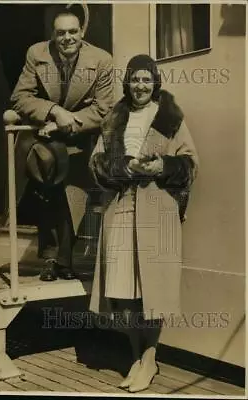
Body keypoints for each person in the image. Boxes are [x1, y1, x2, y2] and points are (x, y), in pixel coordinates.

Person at [88, 54, 199, 392]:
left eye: (146, 80)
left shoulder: (170, 119)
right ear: (128, 82)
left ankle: (150, 359)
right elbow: (96, 162)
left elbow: (190, 163)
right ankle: (136, 357)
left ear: (155, 83)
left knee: (154, 291)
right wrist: (121, 168)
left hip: (157, 210)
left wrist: (160, 166)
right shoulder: (114, 119)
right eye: (135, 79)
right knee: (126, 293)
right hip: (122, 208)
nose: (140, 86)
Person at [10, 5, 114, 281]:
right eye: (60, 33)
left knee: (73, 200)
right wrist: (53, 112)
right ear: (53, 35)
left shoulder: (102, 60)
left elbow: (104, 110)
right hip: (43, 136)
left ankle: (64, 262)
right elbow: (20, 97)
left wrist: (70, 121)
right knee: (49, 192)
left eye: (72, 32)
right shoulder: (37, 53)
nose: (67, 38)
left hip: (79, 137)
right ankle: (50, 260)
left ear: (82, 32)